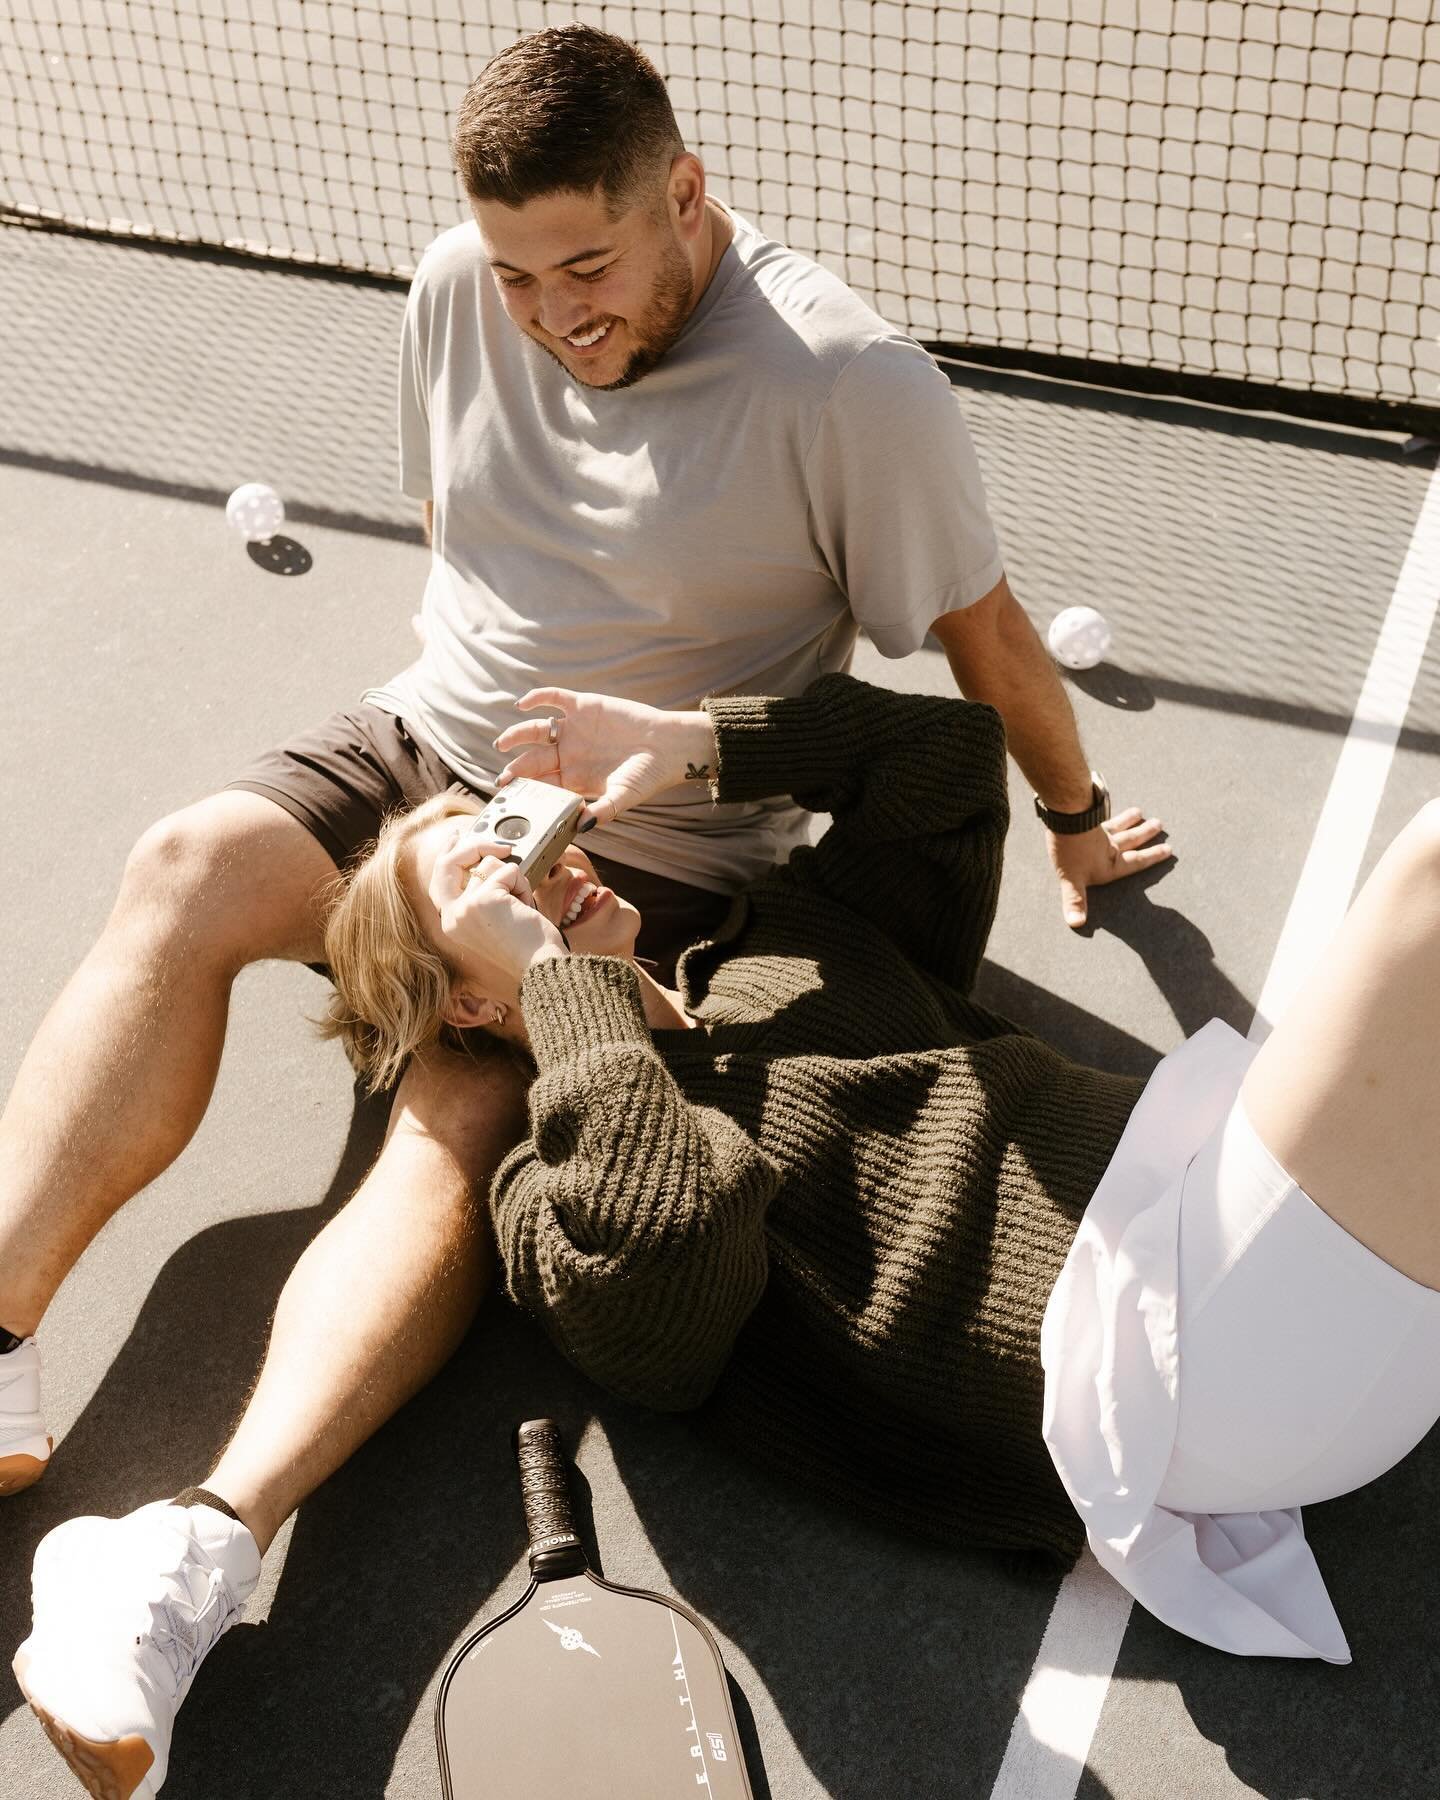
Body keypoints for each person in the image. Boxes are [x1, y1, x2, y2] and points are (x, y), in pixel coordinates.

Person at [5, 24, 1164, 1796]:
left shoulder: (851, 386)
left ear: (684, 194)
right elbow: (452, 517)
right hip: (433, 740)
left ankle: (188, 1557)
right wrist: (437, 794)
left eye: (590, 266)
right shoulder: (458, 284)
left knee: (460, 1115)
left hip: (663, 845)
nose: (551, 311)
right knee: (181, 869)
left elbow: (982, 643)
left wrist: (1077, 826)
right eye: (518, 270)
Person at [309, 674, 1440, 1673]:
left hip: (1265, 1236)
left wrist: (694, 740)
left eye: (523, 837)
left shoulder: (778, 954)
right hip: (1176, 1365)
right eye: (494, 888)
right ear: (468, 997)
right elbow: (669, 1249)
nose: (537, 872)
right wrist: (561, 979)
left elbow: (947, 763)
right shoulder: (548, 1201)